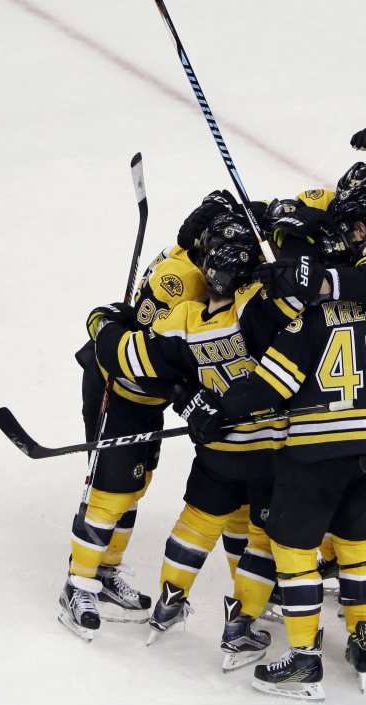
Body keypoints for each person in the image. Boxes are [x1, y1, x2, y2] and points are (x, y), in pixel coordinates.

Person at [189, 236, 366, 700]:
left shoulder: (309, 322)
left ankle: (303, 661)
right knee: (360, 545)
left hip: (319, 457)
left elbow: (269, 388)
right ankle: (365, 640)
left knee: (294, 550)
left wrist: (216, 410)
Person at [89, 214, 302, 670]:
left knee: (195, 525)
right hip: (267, 451)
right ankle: (241, 624)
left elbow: (136, 360)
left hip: (216, 456)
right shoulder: (253, 306)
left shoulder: (183, 319)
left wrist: (105, 328)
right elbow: (297, 314)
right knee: (261, 537)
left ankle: (169, 603)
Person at [58, 191, 233, 640]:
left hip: (144, 396)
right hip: (121, 388)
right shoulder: (183, 279)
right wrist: (184, 391)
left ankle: (106, 569)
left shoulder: (188, 258)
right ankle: (77, 584)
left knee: (134, 485)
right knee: (108, 490)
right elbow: (146, 351)